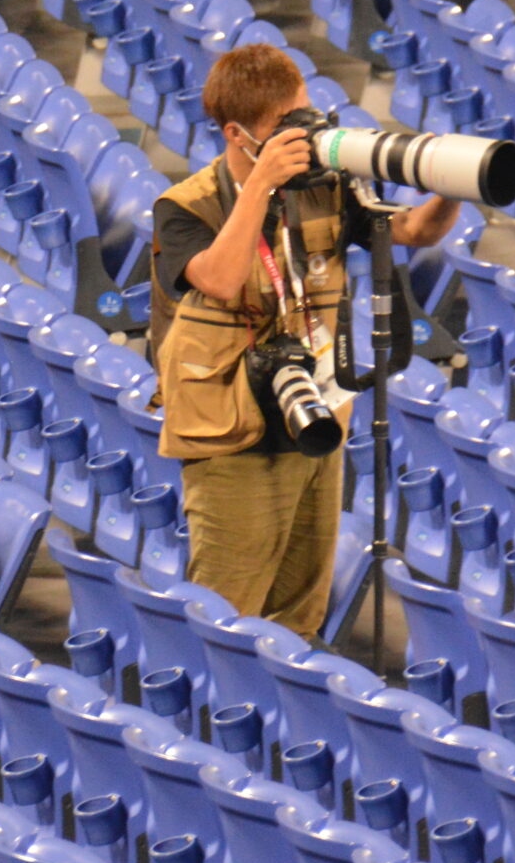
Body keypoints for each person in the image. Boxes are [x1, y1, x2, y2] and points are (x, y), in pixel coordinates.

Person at [147, 45, 461, 633]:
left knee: (300, 614)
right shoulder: (184, 207)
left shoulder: (323, 187)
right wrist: (261, 186)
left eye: (307, 115)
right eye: (287, 126)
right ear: (238, 135)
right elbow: (217, 277)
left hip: (313, 413)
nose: (306, 135)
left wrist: (453, 184)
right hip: (230, 433)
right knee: (226, 614)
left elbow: (413, 230)